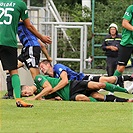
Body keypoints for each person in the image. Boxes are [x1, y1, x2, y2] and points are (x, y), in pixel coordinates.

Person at [0, 0, 51, 107]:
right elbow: (29, 26)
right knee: (14, 71)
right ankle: (18, 99)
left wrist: (47, 56)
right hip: (11, 43)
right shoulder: (20, 4)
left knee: (30, 72)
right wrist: (42, 37)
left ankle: (42, 91)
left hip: (29, 47)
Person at [24, 74, 133, 102]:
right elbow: (52, 97)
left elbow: (48, 88)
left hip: (73, 84)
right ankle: (126, 100)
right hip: (70, 95)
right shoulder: (40, 95)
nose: (27, 94)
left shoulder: (38, 79)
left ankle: (126, 91)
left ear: (27, 86)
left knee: (100, 84)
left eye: (25, 92)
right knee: (94, 97)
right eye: (25, 95)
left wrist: (35, 98)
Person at [113, 5, 133, 92]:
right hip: (127, 42)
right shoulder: (131, 8)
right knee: (120, 68)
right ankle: (111, 88)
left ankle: (130, 89)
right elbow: (125, 23)